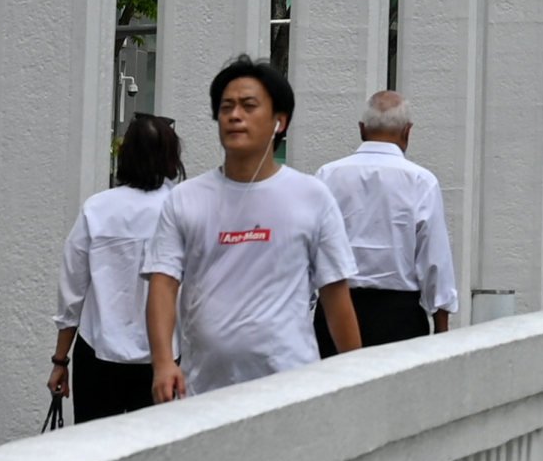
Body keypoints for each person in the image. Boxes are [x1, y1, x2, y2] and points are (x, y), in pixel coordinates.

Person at [145, 57, 359, 398]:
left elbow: (336, 294)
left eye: (248, 106)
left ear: (279, 121)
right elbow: (163, 283)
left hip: (290, 388)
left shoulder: (312, 196)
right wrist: (162, 363)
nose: (234, 115)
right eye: (226, 106)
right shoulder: (185, 199)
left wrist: (355, 376)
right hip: (203, 390)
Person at [48, 115, 181, 423]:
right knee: (154, 455)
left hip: (98, 352)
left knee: (94, 454)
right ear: (170, 156)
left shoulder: (97, 209)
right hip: (163, 357)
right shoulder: (180, 209)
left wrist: (59, 360)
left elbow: (72, 291)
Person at [316, 91, 458, 347]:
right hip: (399, 317)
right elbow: (435, 260)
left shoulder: (328, 175)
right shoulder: (421, 181)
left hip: (334, 311)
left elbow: (311, 250)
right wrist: (441, 330)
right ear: (407, 131)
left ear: (362, 129)